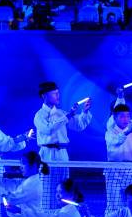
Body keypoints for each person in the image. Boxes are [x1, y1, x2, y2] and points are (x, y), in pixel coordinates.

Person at [34, 82, 92, 210]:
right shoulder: (39, 116)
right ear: (44, 96)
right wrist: (67, 116)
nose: (58, 95)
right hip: (46, 155)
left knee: (64, 187)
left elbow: (79, 125)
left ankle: (64, 216)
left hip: (62, 154)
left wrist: (85, 112)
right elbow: (48, 129)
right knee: (47, 188)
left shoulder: (62, 113)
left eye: (58, 93)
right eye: (54, 93)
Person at [104, 82, 132, 215]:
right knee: (114, 204)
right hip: (113, 170)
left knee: (129, 203)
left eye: (127, 116)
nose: (126, 119)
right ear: (114, 117)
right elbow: (116, 142)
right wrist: (120, 97)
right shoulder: (110, 132)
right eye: (122, 116)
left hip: (129, 170)